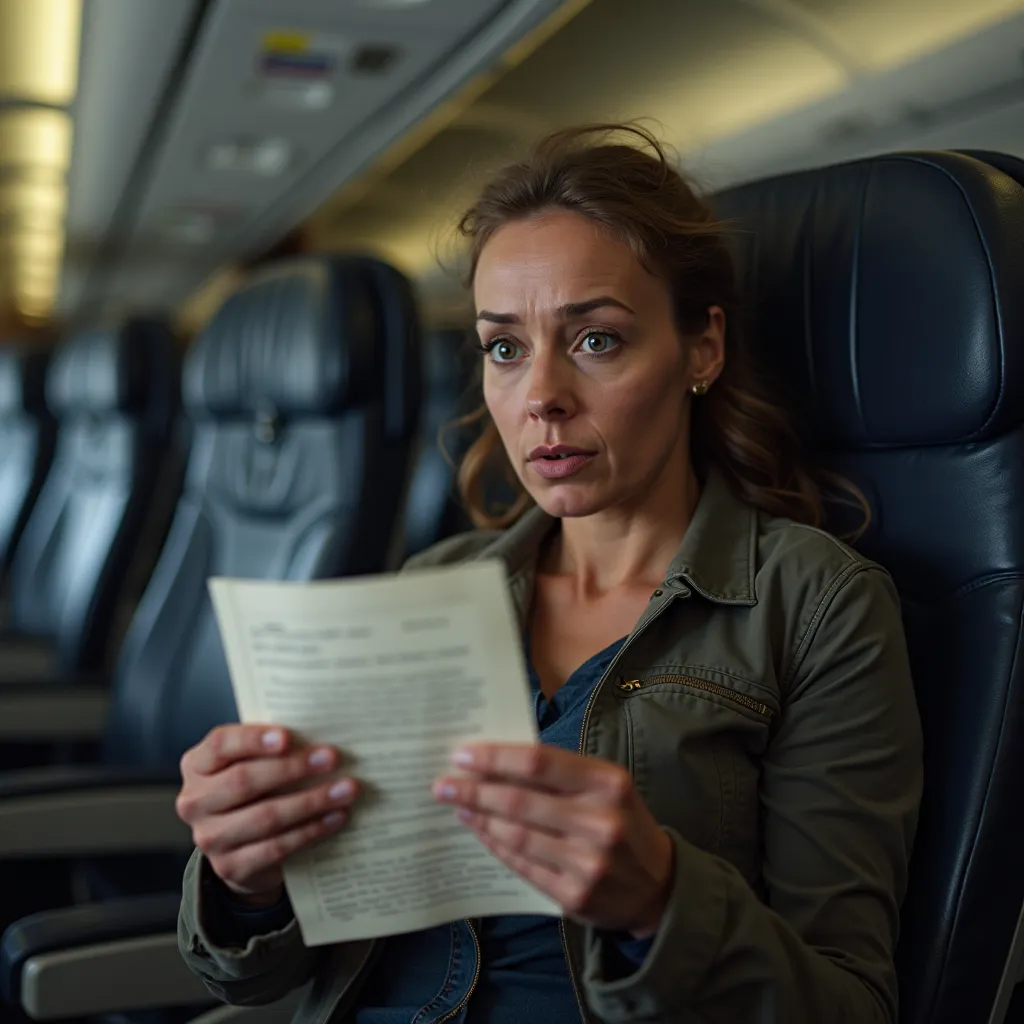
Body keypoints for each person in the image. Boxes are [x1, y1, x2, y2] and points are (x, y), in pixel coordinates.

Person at [176, 124, 923, 1023]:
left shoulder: (816, 605)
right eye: (505, 347)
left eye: (597, 340)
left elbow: (850, 1004)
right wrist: (246, 879)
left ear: (702, 349)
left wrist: (662, 903)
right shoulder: (430, 587)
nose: (540, 397)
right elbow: (252, 979)